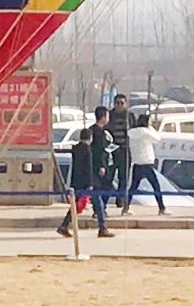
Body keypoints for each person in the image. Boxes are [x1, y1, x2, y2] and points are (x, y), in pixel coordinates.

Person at [57, 110, 114, 238]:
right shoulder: (98, 135)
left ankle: (64, 225)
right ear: (104, 117)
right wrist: (101, 167)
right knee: (97, 200)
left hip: (82, 177)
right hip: (91, 175)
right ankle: (102, 227)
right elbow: (98, 154)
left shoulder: (90, 132)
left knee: (79, 202)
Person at [126, 112, 166, 213]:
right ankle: (162, 208)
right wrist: (150, 127)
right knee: (156, 186)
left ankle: (125, 208)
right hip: (146, 163)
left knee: (133, 187)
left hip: (136, 163)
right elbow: (157, 138)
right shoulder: (146, 132)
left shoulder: (131, 133)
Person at [106, 94, 133, 208]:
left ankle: (120, 199)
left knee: (124, 177)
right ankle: (105, 201)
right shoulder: (109, 115)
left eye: (122, 103)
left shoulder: (130, 116)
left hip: (125, 150)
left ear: (125, 104)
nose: (119, 105)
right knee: (109, 177)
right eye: (117, 103)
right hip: (112, 151)